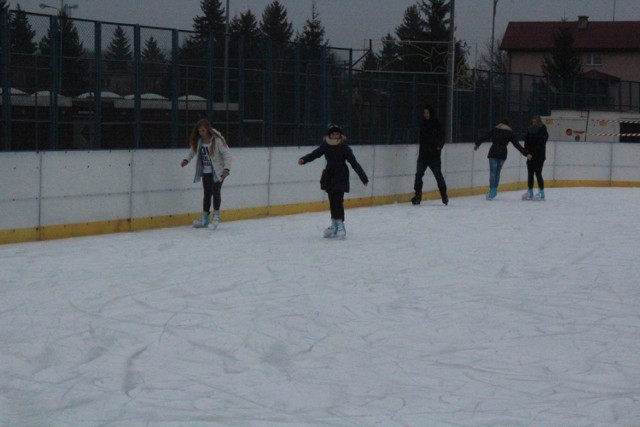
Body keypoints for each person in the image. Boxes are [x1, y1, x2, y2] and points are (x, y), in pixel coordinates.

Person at [298, 123, 369, 239]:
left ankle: (341, 225)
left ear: (340, 135)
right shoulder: (326, 146)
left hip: (341, 176)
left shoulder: (344, 147)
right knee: (332, 201)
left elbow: (354, 163)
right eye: (333, 134)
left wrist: (363, 178)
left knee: (338, 201)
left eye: (337, 134)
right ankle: (334, 225)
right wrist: (304, 159)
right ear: (329, 135)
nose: (335, 136)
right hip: (329, 176)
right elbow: (315, 154)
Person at [180, 118, 232, 229]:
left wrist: (226, 169)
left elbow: (227, 154)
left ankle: (216, 216)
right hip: (206, 171)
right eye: (199, 131)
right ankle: (205, 218)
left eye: (203, 131)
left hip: (218, 171)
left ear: (208, 129)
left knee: (216, 191)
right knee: (207, 194)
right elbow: (193, 150)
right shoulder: (199, 141)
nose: (201, 133)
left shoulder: (217, 140)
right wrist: (186, 160)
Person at [474, 118, 530, 200]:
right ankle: (494, 190)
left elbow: (485, 137)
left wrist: (477, 144)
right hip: (503, 154)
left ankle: (492, 190)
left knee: (492, 172)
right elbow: (516, 144)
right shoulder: (509, 133)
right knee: (497, 172)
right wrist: (526, 153)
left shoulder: (495, 130)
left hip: (493, 152)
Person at [411, 105, 449, 206]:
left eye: (427, 113)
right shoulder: (422, 124)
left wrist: (439, 146)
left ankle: (444, 195)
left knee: (438, 176)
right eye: (424, 113)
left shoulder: (437, 123)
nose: (426, 115)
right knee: (418, 175)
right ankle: (417, 196)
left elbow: (442, 135)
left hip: (434, 155)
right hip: (423, 155)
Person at [522, 115, 549, 201]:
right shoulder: (530, 129)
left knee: (538, 173)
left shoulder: (543, 130)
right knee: (530, 174)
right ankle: (530, 191)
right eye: (533, 122)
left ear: (539, 121)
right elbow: (526, 142)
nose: (534, 123)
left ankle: (541, 192)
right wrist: (527, 153)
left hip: (539, 156)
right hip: (530, 156)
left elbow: (540, 144)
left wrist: (532, 153)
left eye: (535, 122)